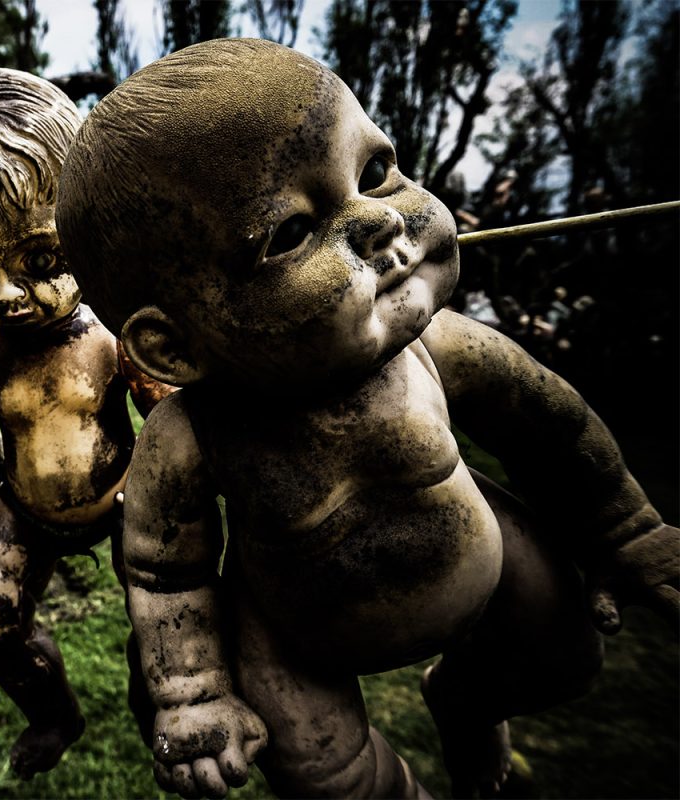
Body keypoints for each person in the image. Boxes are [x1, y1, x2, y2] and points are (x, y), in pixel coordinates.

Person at [54, 39, 678, 799]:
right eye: (291, 232)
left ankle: (468, 700)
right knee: (329, 777)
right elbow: (162, 569)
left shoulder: (439, 350)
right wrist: (191, 691)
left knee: (566, 655)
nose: (380, 221)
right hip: (296, 639)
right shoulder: (191, 435)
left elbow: (554, 426)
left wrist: (626, 528)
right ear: (171, 345)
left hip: (483, 567)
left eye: (375, 171)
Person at [0, 67, 169, 779]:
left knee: (165, 624)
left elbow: (173, 421)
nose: (8, 294)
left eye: (39, 259)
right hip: (23, 510)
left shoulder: (112, 339)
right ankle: (54, 715)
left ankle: (160, 698)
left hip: (126, 499)